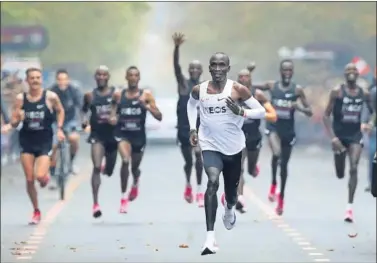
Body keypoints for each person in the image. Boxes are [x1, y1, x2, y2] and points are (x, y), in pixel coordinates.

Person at [187, 52, 266, 255]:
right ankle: (210, 239)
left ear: (228, 68)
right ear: (210, 67)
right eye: (214, 65)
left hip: (233, 147)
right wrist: (193, 129)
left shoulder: (238, 89)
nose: (218, 68)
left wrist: (242, 112)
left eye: (222, 65)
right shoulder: (200, 89)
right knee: (212, 181)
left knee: (231, 194)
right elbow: (191, 104)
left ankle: (229, 208)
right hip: (209, 144)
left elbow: (261, 111)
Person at [254, 59, 312, 216]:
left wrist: (298, 107)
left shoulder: (297, 90)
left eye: (290, 70)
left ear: (292, 72)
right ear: (280, 71)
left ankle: (281, 197)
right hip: (273, 127)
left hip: (288, 131)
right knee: (277, 154)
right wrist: (249, 74)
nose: (287, 72)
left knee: (284, 165)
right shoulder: (272, 86)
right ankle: (273, 183)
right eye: (284, 70)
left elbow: (309, 112)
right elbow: (251, 86)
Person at [10, 67, 65, 224]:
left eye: (38, 78)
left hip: (44, 140)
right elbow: (14, 122)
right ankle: (36, 210)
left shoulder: (50, 97)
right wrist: (17, 119)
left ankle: (44, 178)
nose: (35, 80)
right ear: (27, 81)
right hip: (27, 140)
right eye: (32, 78)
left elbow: (60, 111)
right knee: (29, 179)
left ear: (41, 80)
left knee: (40, 176)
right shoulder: (21, 99)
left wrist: (60, 128)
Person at [221, 66, 277, 213]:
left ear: (251, 80)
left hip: (254, 138)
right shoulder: (232, 95)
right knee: (239, 168)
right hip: (237, 138)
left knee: (251, 170)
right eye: (241, 77)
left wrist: (254, 113)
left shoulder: (257, 95)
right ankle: (239, 198)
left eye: (247, 77)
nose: (244, 80)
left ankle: (254, 168)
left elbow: (273, 115)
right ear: (237, 80)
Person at [323, 63, 374, 222]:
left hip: (355, 135)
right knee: (340, 173)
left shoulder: (364, 93)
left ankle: (349, 208)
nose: (351, 73)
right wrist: (333, 138)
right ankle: (339, 163)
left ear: (358, 74)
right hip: (339, 135)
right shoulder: (337, 92)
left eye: (354, 70)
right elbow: (326, 116)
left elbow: (373, 112)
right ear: (344, 74)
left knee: (354, 167)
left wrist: (370, 123)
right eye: (348, 71)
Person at [110, 66, 162, 213]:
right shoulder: (119, 95)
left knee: (134, 167)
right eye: (130, 75)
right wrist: (112, 117)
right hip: (123, 134)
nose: (133, 78)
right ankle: (123, 198)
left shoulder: (145, 95)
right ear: (126, 78)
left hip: (138, 136)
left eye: (135, 75)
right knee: (125, 161)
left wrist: (146, 107)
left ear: (139, 78)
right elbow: (112, 109)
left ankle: (136, 180)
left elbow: (159, 116)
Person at [81, 66, 118, 218]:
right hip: (97, 135)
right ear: (95, 77)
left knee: (109, 171)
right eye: (98, 74)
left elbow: (122, 110)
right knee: (96, 167)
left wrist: (116, 118)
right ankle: (95, 204)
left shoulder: (116, 94)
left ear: (108, 77)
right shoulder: (90, 95)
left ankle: (106, 167)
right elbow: (84, 111)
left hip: (113, 136)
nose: (101, 77)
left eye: (104, 74)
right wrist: (84, 121)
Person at [172, 32, 204, 206]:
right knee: (189, 161)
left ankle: (200, 191)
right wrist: (176, 48)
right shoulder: (183, 85)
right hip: (183, 129)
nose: (194, 70)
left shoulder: (206, 87)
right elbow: (176, 67)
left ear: (201, 71)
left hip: (199, 130)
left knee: (199, 155)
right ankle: (188, 185)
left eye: (197, 68)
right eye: (191, 68)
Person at [49, 69, 82, 189]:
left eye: (64, 79)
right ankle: (52, 173)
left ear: (68, 80)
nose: (62, 82)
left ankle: (71, 163)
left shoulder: (74, 91)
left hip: (70, 121)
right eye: (59, 79)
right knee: (52, 146)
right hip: (54, 122)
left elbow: (81, 107)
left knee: (74, 139)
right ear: (56, 80)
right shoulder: (51, 92)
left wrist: (84, 121)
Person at [361, 69, 376, 192]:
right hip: (374, 128)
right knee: (372, 153)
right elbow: (369, 109)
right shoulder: (373, 92)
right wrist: (365, 123)